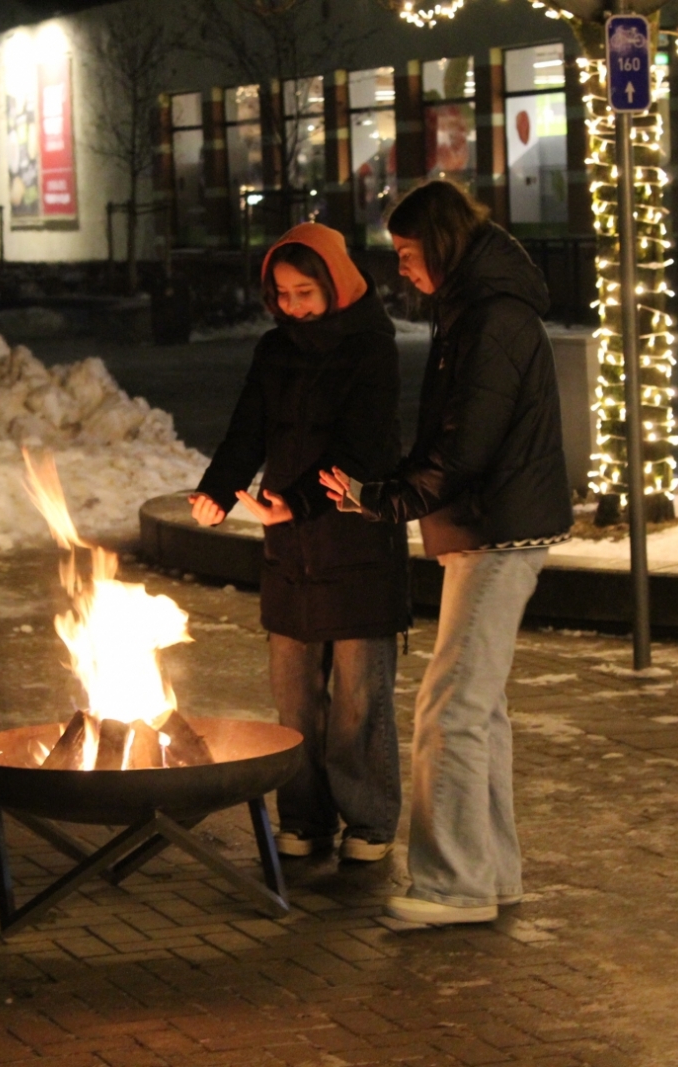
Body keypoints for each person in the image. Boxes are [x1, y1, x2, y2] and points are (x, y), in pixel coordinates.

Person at [317, 180, 571, 926]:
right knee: (477, 710)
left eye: (407, 252)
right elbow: (452, 436)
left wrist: (386, 499)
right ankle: (490, 874)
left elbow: (465, 445)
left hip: (499, 529)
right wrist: (390, 489)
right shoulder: (475, 309)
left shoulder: (490, 318)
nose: (402, 268)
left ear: (443, 244)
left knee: (450, 708)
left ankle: (454, 884)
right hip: (486, 527)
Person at [190, 222, 410, 863]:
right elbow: (247, 430)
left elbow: (365, 447)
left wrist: (303, 502)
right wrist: (219, 489)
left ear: (337, 283)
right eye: (283, 294)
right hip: (290, 550)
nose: (293, 306)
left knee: (358, 700)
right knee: (293, 699)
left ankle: (368, 820)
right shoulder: (274, 350)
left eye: (306, 292)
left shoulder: (371, 349)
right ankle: (305, 817)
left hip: (357, 544)